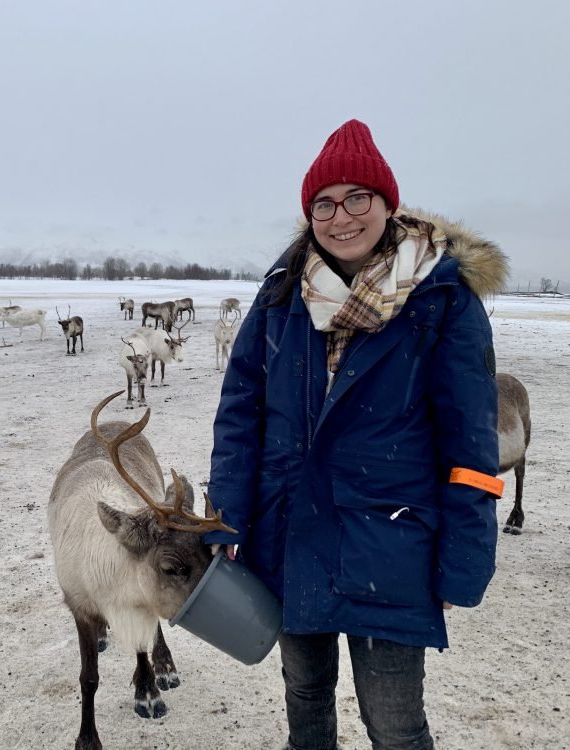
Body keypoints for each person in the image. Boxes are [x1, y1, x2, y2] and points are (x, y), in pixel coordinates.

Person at [204, 119, 508, 750]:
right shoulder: (280, 296)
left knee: (395, 726)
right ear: (308, 213)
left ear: (387, 204)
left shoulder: (442, 299)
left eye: (356, 199)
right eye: (323, 203)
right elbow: (240, 415)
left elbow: (470, 445)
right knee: (305, 702)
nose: (340, 217)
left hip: (392, 543)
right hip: (289, 534)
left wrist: (463, 561)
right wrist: (228, 515)